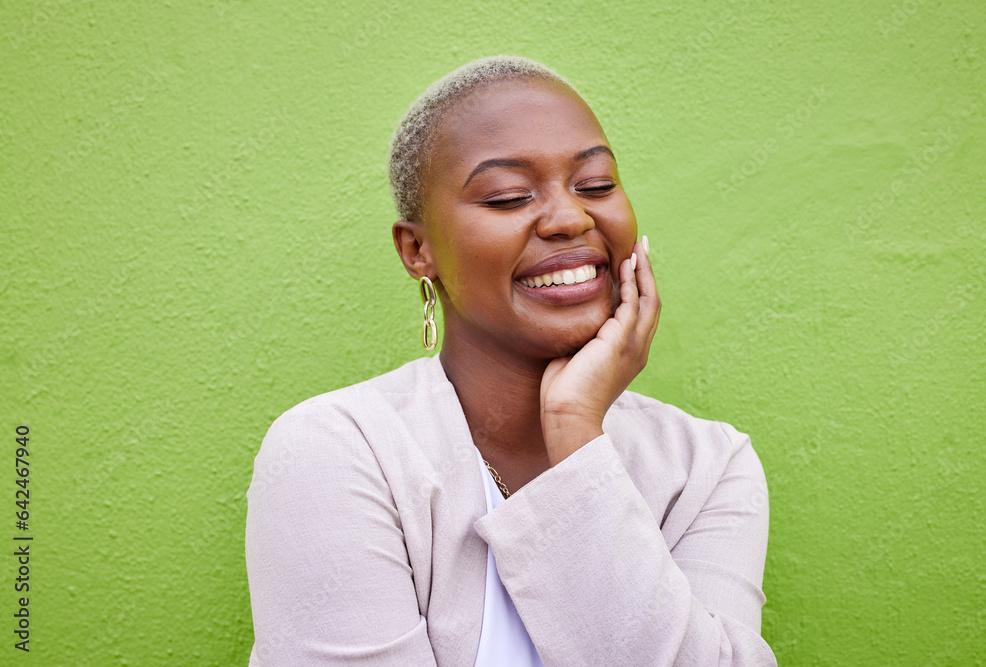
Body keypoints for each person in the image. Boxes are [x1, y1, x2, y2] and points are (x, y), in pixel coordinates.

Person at [245, 55, 776, 666]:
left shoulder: (706, 467)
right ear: (418, 251)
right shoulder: (340, 449)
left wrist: (577, 432)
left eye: (596, 185)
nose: (572, 218)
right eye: (509, 197)